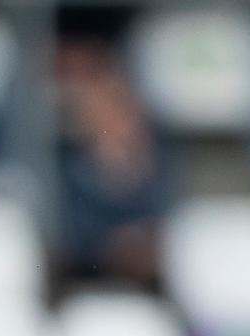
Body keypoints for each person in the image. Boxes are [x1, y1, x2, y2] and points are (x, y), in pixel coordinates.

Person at [51, 45, 172, 289]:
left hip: (152, 289)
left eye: (123, 115)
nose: (119, 124)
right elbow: (69, 241)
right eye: (107, 115)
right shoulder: (71, 174)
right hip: (90, 288)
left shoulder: (158, 170)